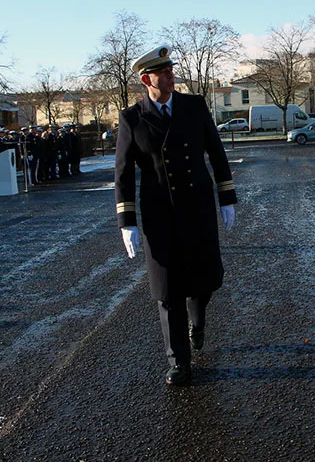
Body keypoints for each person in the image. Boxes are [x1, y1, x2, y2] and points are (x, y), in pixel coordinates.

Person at [115, 44, 237, 387]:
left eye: (171, 70)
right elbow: (123, 173)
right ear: (146, 79)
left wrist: (226, 198)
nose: (171, 75)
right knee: (167, 291)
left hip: (197, 207)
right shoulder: (131, 118)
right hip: (160, 214)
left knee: (206, 279)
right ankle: (179, 362)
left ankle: (197, 323)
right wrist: (127, 222)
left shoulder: (194, 106)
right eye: (164, 72)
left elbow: (216, 151)